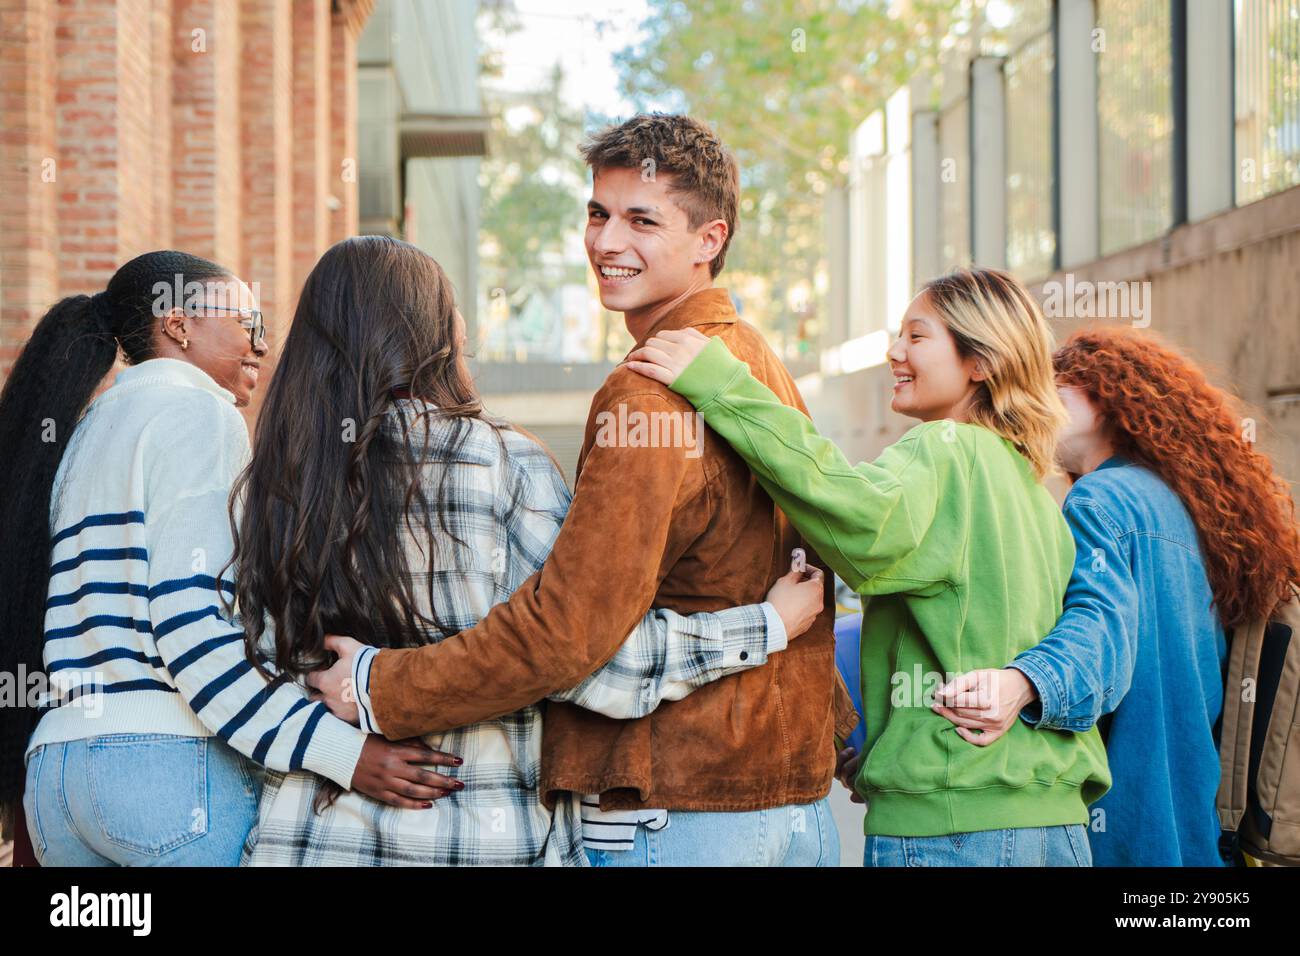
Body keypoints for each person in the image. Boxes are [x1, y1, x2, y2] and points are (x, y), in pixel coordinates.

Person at [310, 114, 857, 867]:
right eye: (598, 214)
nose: (605, 241)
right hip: (790, 806)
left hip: (679, 806)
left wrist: (381, 687)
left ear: (710, 240)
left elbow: (566, 634)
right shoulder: (754, 359)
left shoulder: (648, 395)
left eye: (642, 220)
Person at [627, 267, 1111, 867]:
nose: (894, 353)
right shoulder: (1035, 491)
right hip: (1055, 823)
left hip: (955, 825)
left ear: (980, 362)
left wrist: (723, 386)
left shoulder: (945, 449)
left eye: (916, 336)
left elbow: (851, 512)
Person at [0, 251, 439, 866]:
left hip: (56, 778)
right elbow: (191, 632)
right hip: (162, 775)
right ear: (179, 325)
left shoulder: (87, 429)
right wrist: (345, 755)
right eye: (248, 324)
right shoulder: (198, 412)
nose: (260, 346)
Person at [930, 327, 1300, 866]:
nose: (1035, 404)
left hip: (1125, 819)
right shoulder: (1183, 508)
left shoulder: (1098, 501)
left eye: (1052, 388)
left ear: (1105, 396)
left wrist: (1022, 683)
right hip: (1195, 820)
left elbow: (1097, 628)